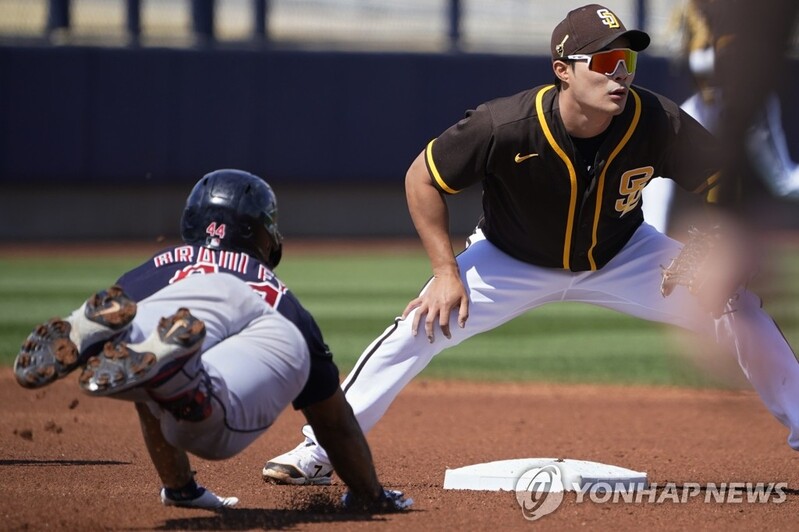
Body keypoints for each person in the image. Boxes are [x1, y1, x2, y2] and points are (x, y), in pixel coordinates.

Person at [261, 4, 799, 486]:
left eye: (627, 61)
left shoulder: (653, 120)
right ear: (563, 70)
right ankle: (320, 451)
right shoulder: (506, 124)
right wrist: (447, 273)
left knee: (740, 310)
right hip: (508, 260)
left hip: (624, 255)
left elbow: (721, 177)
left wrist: (709, 242)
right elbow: (421, 178)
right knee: (418, 327)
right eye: (605, 61)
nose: (620, 73)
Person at [13, 169, 412, 512]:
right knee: (279, 353)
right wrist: (368, 495)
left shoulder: (155, 267)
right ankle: (186, 384)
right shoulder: (276, 292)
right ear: (263, 233)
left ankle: (101, 340)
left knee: (141, 362)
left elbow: (139, 370)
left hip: (156, 307)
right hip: (215, 388)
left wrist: (181, 489)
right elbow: (334, 423)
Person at [642, 0, 799, 234]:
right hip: (706, 106)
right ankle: (652, 241)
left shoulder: (739, 22)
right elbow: (692, 68)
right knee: (659, 164)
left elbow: (745, 72)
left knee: (784, 182)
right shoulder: (698, 25)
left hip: (747, 109)